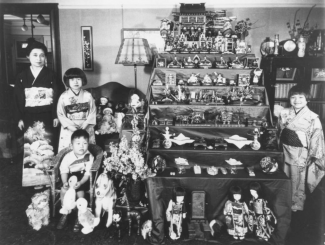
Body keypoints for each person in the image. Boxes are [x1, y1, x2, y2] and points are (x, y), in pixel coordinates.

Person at [13, 40, 59, 187]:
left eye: (42, 55)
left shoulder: (51, 75)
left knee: (48, 147)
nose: (39, 58)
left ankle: (49, 179)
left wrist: (55, 115)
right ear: (28, 57)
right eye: (35, 55)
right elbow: (17, 98)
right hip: (29, 116)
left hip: (47, 114)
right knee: (31, 148)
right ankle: (34, 180)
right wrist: (19, 117)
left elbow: (58, 95)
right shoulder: (22, 76)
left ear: (45, 57)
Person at [277, 85, 325, 211]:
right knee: (283, 175)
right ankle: (282, 202)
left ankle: (295, 204)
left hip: (300, 152)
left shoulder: (312, 117)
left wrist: (313, 155)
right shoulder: (284, 112)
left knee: (296, 178)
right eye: (293, 97)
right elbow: (279, 130)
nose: (297, 100)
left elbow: (316, 138)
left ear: (307, 99)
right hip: (283, 149)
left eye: (300, 97)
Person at [56, 129, 94, 231]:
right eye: (78, 143)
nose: (81, 146)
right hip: (70, 178)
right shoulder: (68, 157)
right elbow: (64, 170)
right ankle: (65, 212)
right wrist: (65, 182)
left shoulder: (89, 157)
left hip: (82, 179)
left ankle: (80, 216)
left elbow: (87, 173)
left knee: (80, 195)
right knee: (64, 191)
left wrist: (80, 182)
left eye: (84, 143)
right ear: (71, 145)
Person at [57, 68, 96, 151]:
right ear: (67, 81)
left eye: (78, 79)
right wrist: (71, 127)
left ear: (83, 80)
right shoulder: (64, 96)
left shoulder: (88, 95)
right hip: (69, 126)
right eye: (72, 79)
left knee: (86, 148)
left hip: (85, 125)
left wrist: (86, 124)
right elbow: (60, 114)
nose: (75, 82)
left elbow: (92, 111)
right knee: (69, 149)